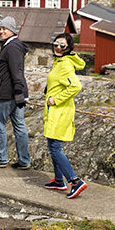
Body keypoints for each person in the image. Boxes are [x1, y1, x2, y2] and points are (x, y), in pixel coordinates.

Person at [43, 33, 88, 199]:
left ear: (69, 48)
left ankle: (75, 181)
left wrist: (56, 99)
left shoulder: (64, 65)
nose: (58, 47)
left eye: (62, 45)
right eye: (56, 43)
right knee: (53, 146)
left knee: (55, 149)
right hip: (55, 111)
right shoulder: (58, 61)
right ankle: (58, 181)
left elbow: (76, 86)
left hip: (59, 111)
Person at [0, 15, 31, 169]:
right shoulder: (15, 45)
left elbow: (16, 71)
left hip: (8, 94)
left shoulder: (11, 47)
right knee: (19, 125)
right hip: (17, 93)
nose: (0, 31)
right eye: (0, 28)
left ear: (11, 30)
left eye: (4, 28)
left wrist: (18, 90)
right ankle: (24, 161)